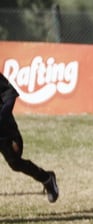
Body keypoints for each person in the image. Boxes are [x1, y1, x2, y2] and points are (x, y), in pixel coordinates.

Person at [0, 73, 58, 203]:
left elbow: (9, 94)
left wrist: (2, 116)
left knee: (15, 163)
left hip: (4, 130)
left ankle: (47, 178)